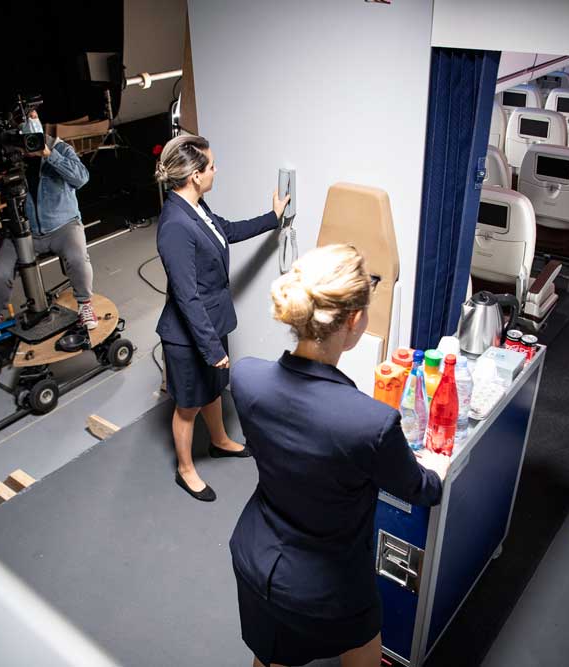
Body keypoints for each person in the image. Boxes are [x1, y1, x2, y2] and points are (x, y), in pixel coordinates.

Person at [229, 244, 451, 667]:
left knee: (271, 655)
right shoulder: (371, 423)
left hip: (256, 559)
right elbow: (420, 489)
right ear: (353, 321)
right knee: (364, 650)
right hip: (328, 583)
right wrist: (436, 472)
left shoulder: (246, 378)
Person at [154, 134, 291, 502]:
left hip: (211, 324)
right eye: (212, 165)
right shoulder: (175, 226)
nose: (216, 170)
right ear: (195, 175)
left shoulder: (196, 207)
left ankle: (218, 440)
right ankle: (185, 470)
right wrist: (212, 348)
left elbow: (226, 232)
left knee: (213, 389)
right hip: (190, 335)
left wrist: (273, 218)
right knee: (188, 406)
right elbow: (186, 296)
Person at [0, 109, 94, 331]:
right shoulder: (13, 154)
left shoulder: (61, 148)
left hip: (63, 226)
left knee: (78, 259)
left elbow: (81, 178)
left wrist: (49, 155)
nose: (25, 151)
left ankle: (85, 304)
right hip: (25, 230)